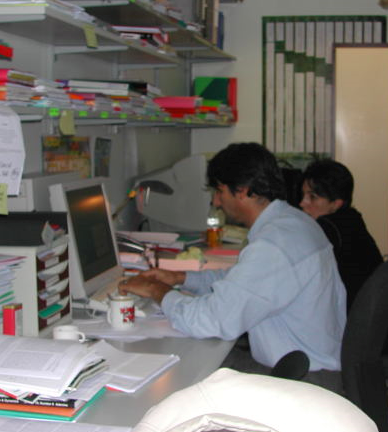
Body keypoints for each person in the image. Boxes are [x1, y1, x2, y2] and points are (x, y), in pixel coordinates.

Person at [119, 143, 346, 379]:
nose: (216, 202)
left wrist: (156, 290)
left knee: (184, 373)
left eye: (220, 191)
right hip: (308, 364)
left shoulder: (274, 246)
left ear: (243, 191)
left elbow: (212, 320)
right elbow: (241, 281)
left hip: (304, 380)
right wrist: (181, 278)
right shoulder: (294, 223)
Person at [299, 159, 383, 309]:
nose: (302, 203)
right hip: (362, 310)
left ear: (336, 203)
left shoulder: (328, 228)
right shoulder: (351, 219)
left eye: (312, 197)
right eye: (303, 195)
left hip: (348, 314)